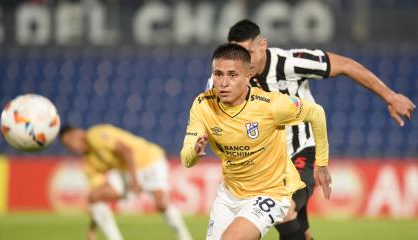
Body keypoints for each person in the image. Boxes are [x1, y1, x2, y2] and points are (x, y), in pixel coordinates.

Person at [206, 19, 416, 240]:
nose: (243, 61)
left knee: (284, 209)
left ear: (263, 45)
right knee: (297, 229)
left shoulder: (290, 63)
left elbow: (345, 65)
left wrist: (390, 96)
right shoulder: (225, 77)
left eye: (248, 52)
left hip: (300, 153)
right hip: (264, 164)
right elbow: (209, 112)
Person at [181, 43, 331, 240]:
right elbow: (186, 159)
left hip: (271, 192)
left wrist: (321, 163)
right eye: (218, 74)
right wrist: (194, 152)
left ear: (247, 77)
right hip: (229, 195)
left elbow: (316, 112)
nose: (224, 82)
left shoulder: (270, 105)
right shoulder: (203, 105)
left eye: (232, 75)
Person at [60, 124, 193, 240]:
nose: (72, 146)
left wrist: (134, 180)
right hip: (126, 170)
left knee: (161, 205)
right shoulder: (89, 164)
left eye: (70, 140)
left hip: (149, 161)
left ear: (78, 132)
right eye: (67, 145)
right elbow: (96, 197)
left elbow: (126, 151)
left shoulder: (95, 135)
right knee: (94, 196)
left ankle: (184, 236)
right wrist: (91, 230)